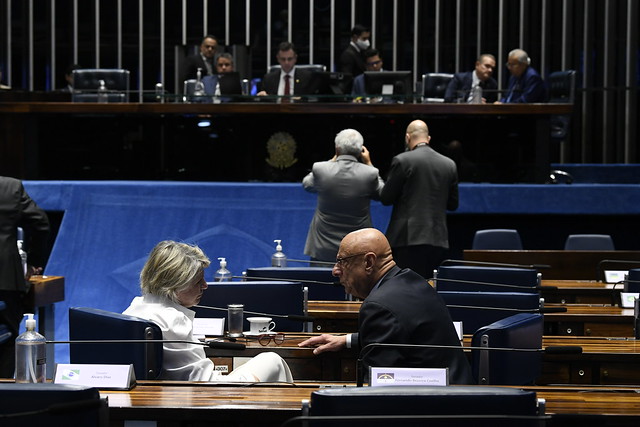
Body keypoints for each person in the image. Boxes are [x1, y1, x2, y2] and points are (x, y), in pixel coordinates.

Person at [298, 228, 473, 384]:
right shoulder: (413, 281)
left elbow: (378, 387)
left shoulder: (378, 306)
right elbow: (403, 335)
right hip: (458, 392)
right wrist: (347, 340)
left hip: (437, 404)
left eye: (342, 261)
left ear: (368, 262)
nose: (335, 271)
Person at [123, 240, 293, 383]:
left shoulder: (134, 309)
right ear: (175, 284)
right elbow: (205, 382)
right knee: (272, 360)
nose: (205, 286)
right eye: (198, 281)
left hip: (163, 396)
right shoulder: (173, 320)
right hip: (198, 400)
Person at [379, 120, 458, 279]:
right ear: (428, 138)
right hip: (437, 238)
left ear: (407, 137)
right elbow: (453, 204)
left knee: (404, 285)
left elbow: (386, 198)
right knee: (429, 285)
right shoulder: (449, 164)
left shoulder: (402, 160)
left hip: (407, 238)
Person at [302, 129, 384, 263]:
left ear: (337, 149)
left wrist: (331, 160)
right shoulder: (370, 173)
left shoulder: (320, 169)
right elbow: (382, 194)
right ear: (360, 151)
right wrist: (369, 164)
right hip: (357, 246)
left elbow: (307, 185)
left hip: (323, 246)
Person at [0, 176, 50, 378]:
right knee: (6, 340)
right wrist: (32, 263)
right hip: (4, 280)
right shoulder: (9, 187)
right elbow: (41, 223)